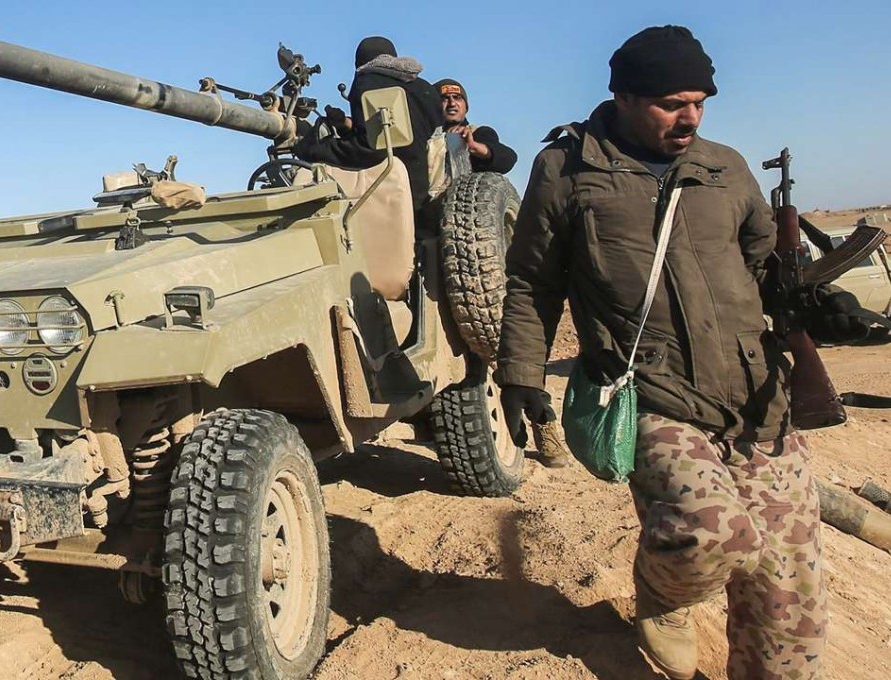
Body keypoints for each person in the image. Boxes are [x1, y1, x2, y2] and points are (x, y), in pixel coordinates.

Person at [495, 25, 869, 680]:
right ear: (626, 96)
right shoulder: (567, 171)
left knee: (789, 609)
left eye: (700, 101)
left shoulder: (725, 167)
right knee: (708, 532)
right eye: (673, 103)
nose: (690, 116)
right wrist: (523, 374)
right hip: (654, 395)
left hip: (758, 398)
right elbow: (532, 281)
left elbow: (767, 270)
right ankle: (665, 597)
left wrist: (815, 303)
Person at [294, 36, 443, 217]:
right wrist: (345, 126)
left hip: (393, 200)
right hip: (427, 198)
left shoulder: (366, 81)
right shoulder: (425, 88)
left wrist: (315, 149)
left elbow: (370, 149)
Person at [433, 78, 518, 174]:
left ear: (466, 107)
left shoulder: (478, 134)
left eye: (457, 97)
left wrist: (475, 147)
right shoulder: (423, 138)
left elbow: (508, 158)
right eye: (445, 98)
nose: (452, 103)